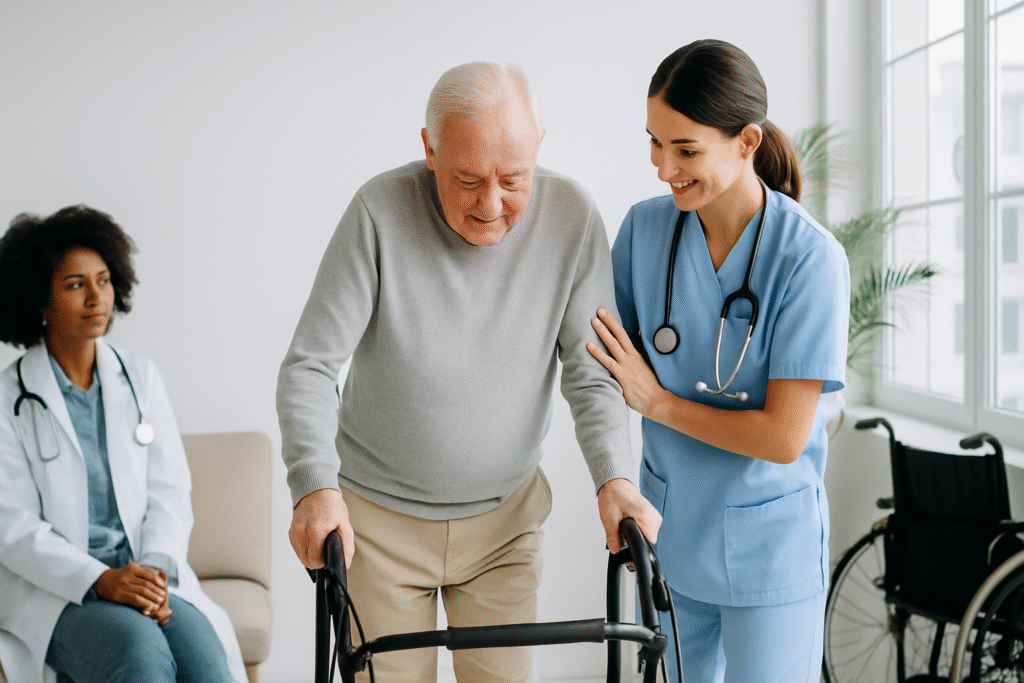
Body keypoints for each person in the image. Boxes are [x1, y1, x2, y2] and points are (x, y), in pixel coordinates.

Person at [277, 61, 661, 683]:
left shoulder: (571, 216)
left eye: (513, 179)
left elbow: (589, 373)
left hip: (506, 527)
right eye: (468, 179)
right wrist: (315, 487)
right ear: (429, 149)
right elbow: (310, 366)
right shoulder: (379, 210)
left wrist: (613, 479)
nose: (491, 204)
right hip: (378, 531)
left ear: (539, 147)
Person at [587, 40, 850, 683]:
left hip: (769, 553)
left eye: (686, 150)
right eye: (654, 142)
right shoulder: (645, 232)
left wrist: (659, 404)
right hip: (670, 531)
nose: (662, 168)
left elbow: (784, 438)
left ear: (746, 141)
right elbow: (594, 360)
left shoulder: (808, 259)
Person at [0, 206, 247, 683]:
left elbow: (170, 492)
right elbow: (11, 524)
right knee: (140, 653)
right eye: (75, 285)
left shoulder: (139, 378)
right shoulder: (8, 398)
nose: (96, 297)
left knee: (205, 659)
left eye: (104, 280)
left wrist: (152, 572)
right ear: (40, 299)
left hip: (142, 576)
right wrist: (101, 579)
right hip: (58, 588)